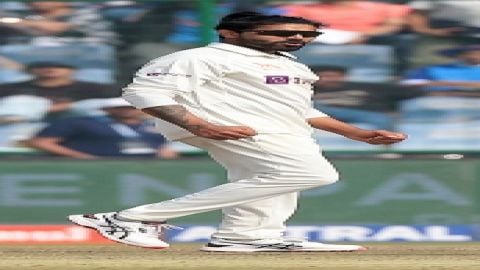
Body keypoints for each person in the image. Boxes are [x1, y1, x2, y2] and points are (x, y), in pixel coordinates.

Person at [68, 12, 406, 252]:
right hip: (235, 129)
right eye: (279, 32)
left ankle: (247, 236)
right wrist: (199, 125)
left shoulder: (292, 65)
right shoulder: (199, 57)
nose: (296, 38)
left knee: (272, 181)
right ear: (230, 32)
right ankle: (127, 218)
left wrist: (354, 133)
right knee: (312, 173)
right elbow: (144, 93)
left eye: (306, 34)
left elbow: (301, 111)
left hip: (284, 130)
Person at [23, 97, 178, 159]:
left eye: (131, 107)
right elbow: (39, 142)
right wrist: (83, 158)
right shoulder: (81, 122)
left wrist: (166, 155)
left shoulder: (154, 125)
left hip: (144, 169)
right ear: (106, 109)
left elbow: (163, 147)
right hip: (97, 169)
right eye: (120, 108)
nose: (126, 110)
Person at [312, 65, 423, 129]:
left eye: (333, 76)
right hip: (321, 116)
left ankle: (386, 151)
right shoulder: (307, 89)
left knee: (382, 119)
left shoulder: (367, 86)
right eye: (324, 76)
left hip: (367, 115)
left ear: (344, 77)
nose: (329, 79)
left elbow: (413, 92)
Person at [401, 44, 480, 95]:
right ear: (459, 55)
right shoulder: (432, 70)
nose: (477, 56)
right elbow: (407, 83)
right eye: (474, 53)